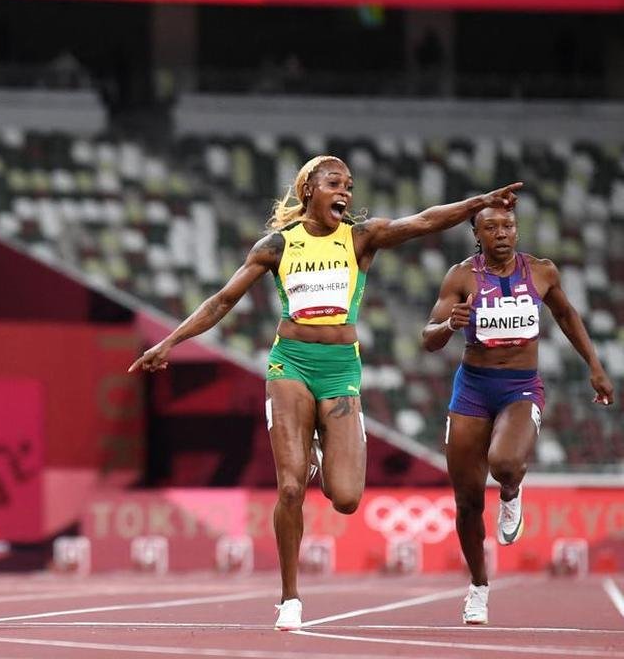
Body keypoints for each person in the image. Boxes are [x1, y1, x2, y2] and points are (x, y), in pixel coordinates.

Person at [130, 155, 521, 631]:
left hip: (340, 372)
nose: (345, 192)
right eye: (335, 183)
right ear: (308, 190)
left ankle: (317, 445)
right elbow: (223, 300)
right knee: (290, 486)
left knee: (346, 497)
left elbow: (422, 222)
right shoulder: (277, 246)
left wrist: (478, 203)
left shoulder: (360, 238)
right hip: (290, 365)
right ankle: (289, 598)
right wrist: (170, 342)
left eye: (349, 185)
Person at [422, 204, 613, 625]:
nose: (501, 233)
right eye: (490, 227)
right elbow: (428, 338)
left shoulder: (541, 272)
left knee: (506, 463)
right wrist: (450, 326)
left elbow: (566, 315)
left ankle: (511, 492)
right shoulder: (461, 277)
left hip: (520, 387)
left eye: (507, 225)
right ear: (477, 235)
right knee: (467, 501)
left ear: (517, 230)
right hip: (472, 389)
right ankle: (478, 586)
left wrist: (595, 366)